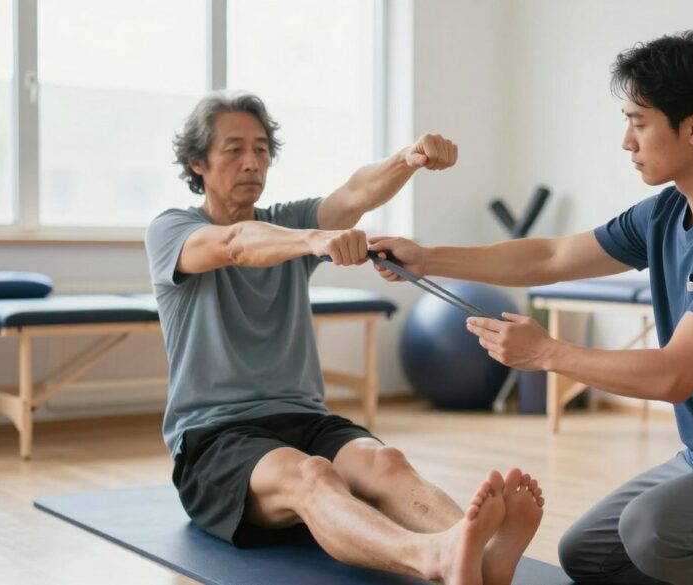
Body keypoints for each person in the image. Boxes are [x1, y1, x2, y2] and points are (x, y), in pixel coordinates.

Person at [371, 30, 693, 585]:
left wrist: (548, 353)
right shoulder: (665, 213)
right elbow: (552, 256)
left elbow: (674, 375)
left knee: (654, 531)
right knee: (590, 554)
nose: (627, 141)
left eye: (639, 121)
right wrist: (428, 256)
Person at [145, 90, 544, 585]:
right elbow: (235, 244)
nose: (252, 161)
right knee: (312, 476)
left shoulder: (289, 221)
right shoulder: (172, 229)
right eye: (233, 149)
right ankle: (433, 558)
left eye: (262, 149)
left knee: (386, 464)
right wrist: (315, 240)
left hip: (305, 416)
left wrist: (408, 159)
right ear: (196, 162)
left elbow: (355, 194)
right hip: (216, 437)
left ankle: (479, 554)